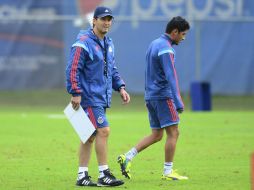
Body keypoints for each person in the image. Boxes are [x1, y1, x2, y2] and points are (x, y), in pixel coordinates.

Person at [117, 16, 190, 180]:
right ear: (174, 32)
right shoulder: (166, 49)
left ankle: (127, 157)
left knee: (157, 134)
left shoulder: (154, 44)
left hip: (151, 96)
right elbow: (171, 76)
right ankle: (168, 172)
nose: (183, 38)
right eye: (183, 34)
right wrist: (177, 100)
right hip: (163, 96)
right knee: (174, 133)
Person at [66, 6, 130, 187]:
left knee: (89, 135)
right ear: (94, 21)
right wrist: (76, 92)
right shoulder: (83, 42)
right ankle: (104, 174)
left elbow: (112, 69)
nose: (107, 22)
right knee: (104, 131)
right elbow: (73, 69)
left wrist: (121, 87)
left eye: (109, 19)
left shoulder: (109, 43)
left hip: (101, 96)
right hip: (89, 97)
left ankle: (82, 176)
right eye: (103, 19)